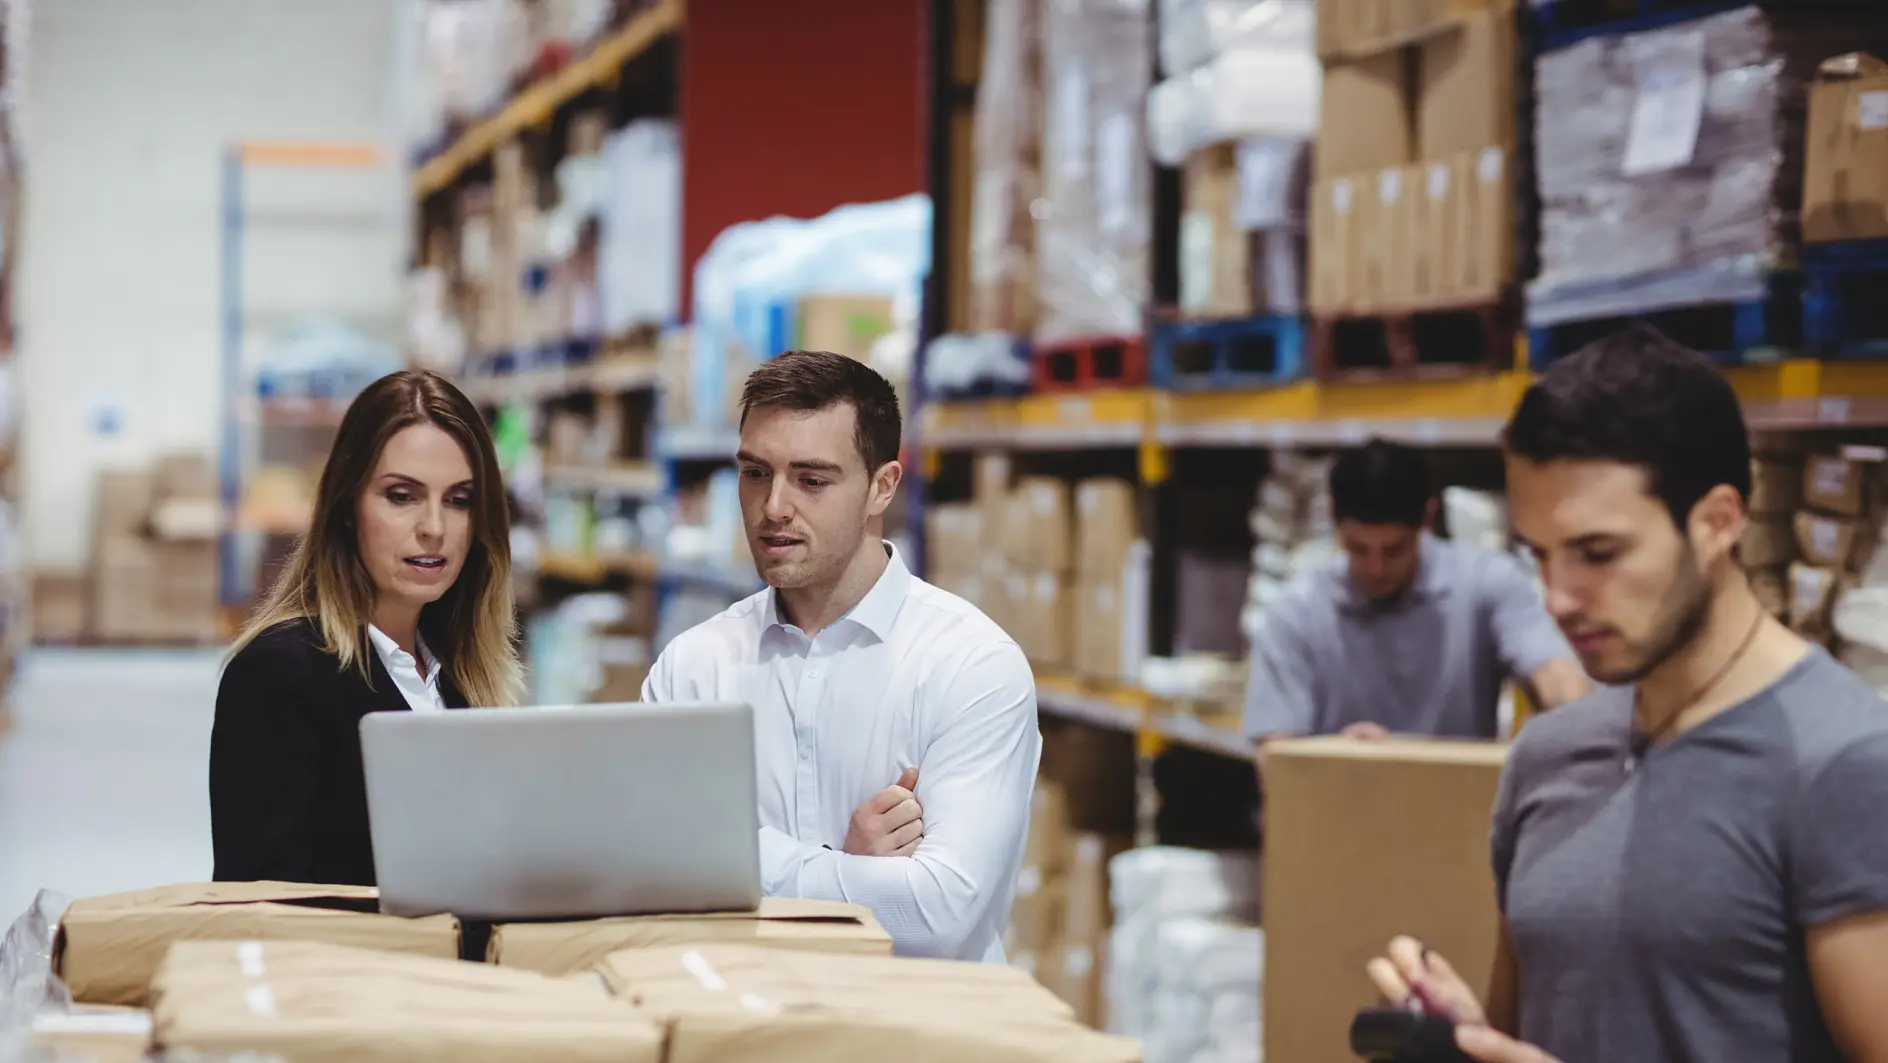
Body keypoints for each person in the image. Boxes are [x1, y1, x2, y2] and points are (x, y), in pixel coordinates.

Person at [1367, 325, 1888, 1063]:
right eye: (1538, 555)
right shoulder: (1548, 755)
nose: (1556, 599)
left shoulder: (1845, 765)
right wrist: (1468, 1038)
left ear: (1716, 523)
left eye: (1597, 553)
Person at [640, 350, 1039, 963]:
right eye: (754, 473)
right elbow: (648, 875)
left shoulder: (972, 666)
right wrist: (847, 873)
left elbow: (939, 913)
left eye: (812, 480)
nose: (774, 506)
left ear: (882, 487)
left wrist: (732, 862)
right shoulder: (693, 667)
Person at [210, 370, 524, 886]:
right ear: (348, 507)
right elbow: (259, 908)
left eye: (459, 500)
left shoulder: (465, 679)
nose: (435, 528)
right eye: (402, 496)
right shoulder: (278, 675)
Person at [1243, 439, 1588, 745]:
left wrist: (1570, 718)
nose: (1375, 568)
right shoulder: (1294, 613)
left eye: (1394, 550)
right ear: (1332, 516)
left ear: (1427, 517)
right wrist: (1338, 761)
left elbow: (1555, 672)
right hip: (1334, 811)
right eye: (1358, 549)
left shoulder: (1487, 583)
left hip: (1461, 811)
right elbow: (1276, 756)